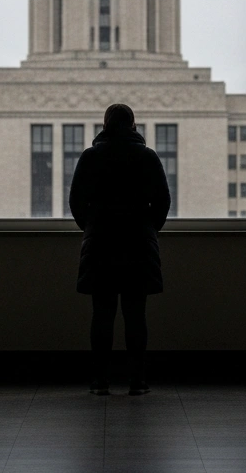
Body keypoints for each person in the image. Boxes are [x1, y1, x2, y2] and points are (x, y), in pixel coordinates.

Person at [68, 103, 172, 396]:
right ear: (133, 125)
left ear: (105, 125)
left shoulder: (91, 157)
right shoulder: (147, 156)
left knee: (101, 315)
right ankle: (137, 381)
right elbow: (163, 201)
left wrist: (91, 226)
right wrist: (148, 229)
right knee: (136, 315)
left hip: (101, 242)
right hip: (138, 242)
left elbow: (76, 201)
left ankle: (100, 381)